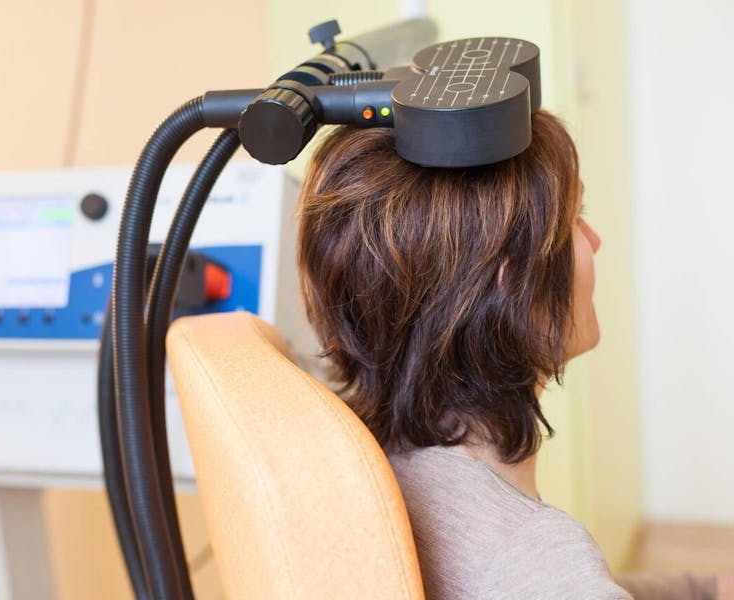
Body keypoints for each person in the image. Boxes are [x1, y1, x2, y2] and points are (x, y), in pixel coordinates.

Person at [296, 111, 732, 599]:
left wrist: (704, 588)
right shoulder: (532, 553)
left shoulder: (377, 463)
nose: (595, 241)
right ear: (515, 291)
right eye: (576, 221)